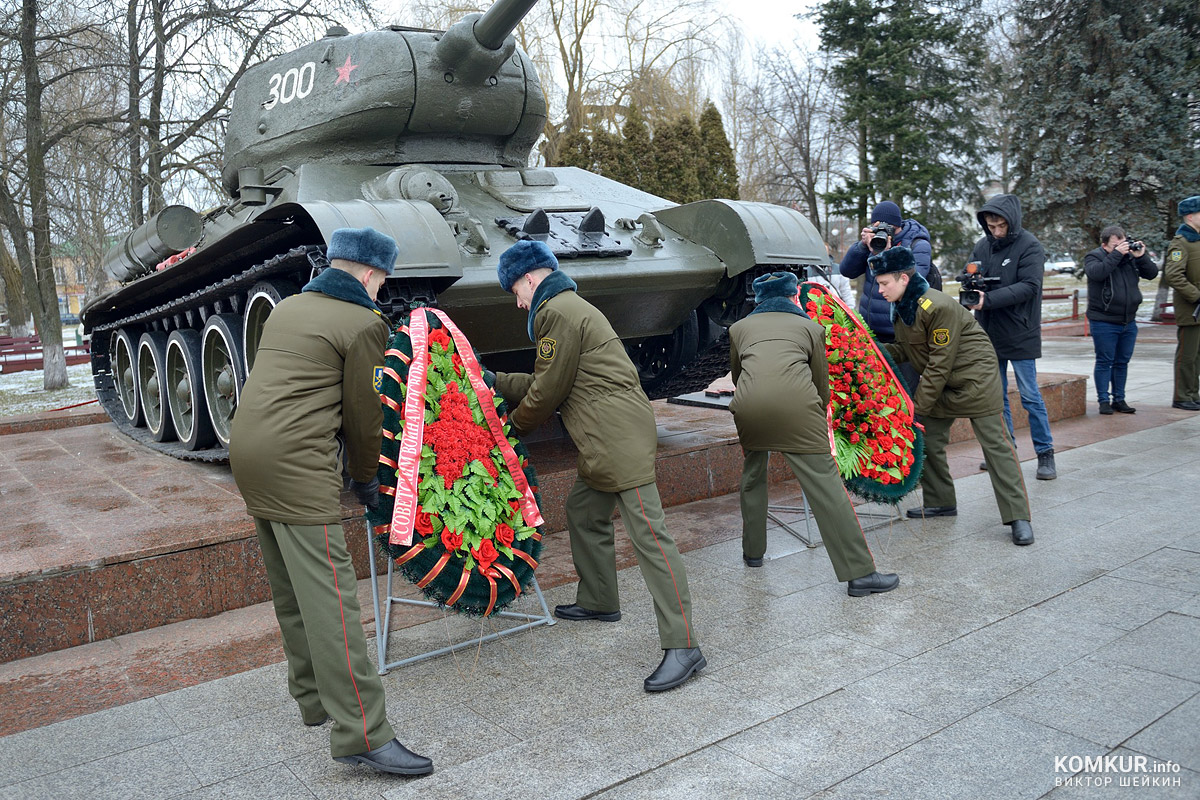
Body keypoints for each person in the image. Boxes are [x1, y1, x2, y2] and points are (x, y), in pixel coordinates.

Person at [229, 227, 433, 777]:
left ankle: (314, 700)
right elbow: (366, 420)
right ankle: (363, 732)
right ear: (370, 274)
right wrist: (369, 480)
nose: (382, 289)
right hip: (297, 466)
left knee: (292, 590)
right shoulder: (364, 323)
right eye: (383, 279)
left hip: (247, 454)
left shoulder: (289, 306)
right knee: (334, 604)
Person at [493, 239, 705, 692]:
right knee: (583, 511)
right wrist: (494, 380)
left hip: (615, 437)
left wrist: (507, 432)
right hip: (604, 436)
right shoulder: (567, 308)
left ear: (531, 277)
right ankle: (599, 600)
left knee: (651, 537)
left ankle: (684, 645)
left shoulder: (556, 312)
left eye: (515, 291)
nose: (517, 302)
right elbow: (552, 379)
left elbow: (548, 393)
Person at [728, 271, 899, 596]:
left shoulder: (739, 328)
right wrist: (817, 417)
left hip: (749, 408)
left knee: (752, 476)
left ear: (760, 300)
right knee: (825, 486)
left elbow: (739, 374)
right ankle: (859, 574)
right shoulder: (809, 327)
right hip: (798, 409)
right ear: (793, 297)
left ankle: (753, 553)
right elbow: (820, 381)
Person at [870, 246, 1034, 546]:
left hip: (975, 380)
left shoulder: (936, 305)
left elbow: (938, 363)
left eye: (884, 283)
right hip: (942, 383)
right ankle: (940, 501)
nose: (880, 290)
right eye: (878, 284)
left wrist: (917, 409)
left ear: (904, 278)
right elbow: (909, 350)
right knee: (929, 441)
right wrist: (871, 349)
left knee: (997, 447)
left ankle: (1018, 517)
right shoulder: (903, 307)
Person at [968, 194, 1057, 480]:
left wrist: (988, 299)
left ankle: (1046, 454)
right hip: (989, 332)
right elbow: (969, 272)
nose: (995, 231)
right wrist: (970, 282)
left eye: (1000, 226)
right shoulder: (983, 245)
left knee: (1030, 396)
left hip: (1020, 330)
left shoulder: (1029, 245)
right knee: (997, 397)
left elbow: (1029, 286)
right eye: (991, 226)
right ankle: (1006, 451)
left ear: (1011, 222)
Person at [839, 201, 932, 390]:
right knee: (875, 391)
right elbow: (847, 270)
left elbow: (914, 282)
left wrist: (888, 253)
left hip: (903, 333)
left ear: (897, 225)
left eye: (887, 226)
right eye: (877, 226)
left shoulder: (917, 243)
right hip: (872, 331)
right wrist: (862, 246)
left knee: (904, 392)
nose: (882, 231)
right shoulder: (872, 244)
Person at [1083, 226, 1159, 414]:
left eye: (1122, 243)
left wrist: (1141, 256)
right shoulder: (1094, 257)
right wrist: (1117, 254)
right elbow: (1098, 273)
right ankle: (1103, 401)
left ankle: (1119, 399)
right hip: (1104, 320)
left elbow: (1151, 274)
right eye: (1115, 245)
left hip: (1128, 321)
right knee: (1104, 361)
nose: (1121, 248)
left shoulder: (1130, 258)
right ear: (1104, 245)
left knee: (1121, 362)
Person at [1164, 195, 1200, 411]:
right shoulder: (1181, 243)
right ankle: (1181, 396)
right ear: (1190, 216)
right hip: (1191, 310)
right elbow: (1173, 275)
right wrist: (1196, 295)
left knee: (1197, 357)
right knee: (1187, 356)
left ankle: (1193, 393)